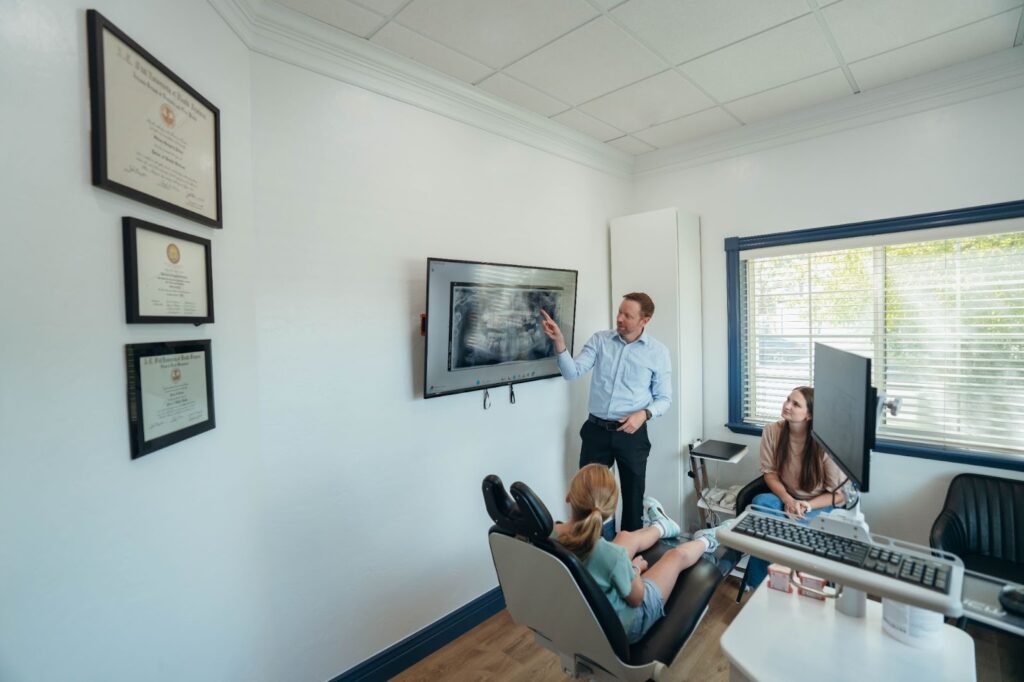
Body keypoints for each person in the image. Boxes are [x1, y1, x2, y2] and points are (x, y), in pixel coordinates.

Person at [540, 292, 671, 535]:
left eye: (627, 315)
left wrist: (644, 414)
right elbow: (572, 372)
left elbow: (664, 399)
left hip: (632, 433)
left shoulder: (658, 353)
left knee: (633, 499)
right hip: (596, 431)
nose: (619, 318)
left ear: (645, 320)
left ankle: (628, 559)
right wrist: (559, 342)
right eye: (619, 312)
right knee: (589, 499)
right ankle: (595, 550)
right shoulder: (600, 341)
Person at [554, 464, 719, 643]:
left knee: (625, 536)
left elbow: (605, 558)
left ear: (569, 496)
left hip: (579, 614)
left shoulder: (551, 533)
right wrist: (633, 569)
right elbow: (637, 598)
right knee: (674, 556)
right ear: (608, 510)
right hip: (627, 625)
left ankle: (662, 526)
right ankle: (710, 539)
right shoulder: (611, 556)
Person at [744, 386, 845, 590]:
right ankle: (769, 581)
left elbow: (839, 495)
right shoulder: (772, 431)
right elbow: (770, 474)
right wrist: (788, 500)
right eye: (788, 399)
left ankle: (782, 572)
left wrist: (806, 505)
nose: (787, 405)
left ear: (809, 415)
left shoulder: (825, 442)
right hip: (786, 499)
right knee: (760, 504)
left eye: (795, 404)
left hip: (817, 504)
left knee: (772, 529)